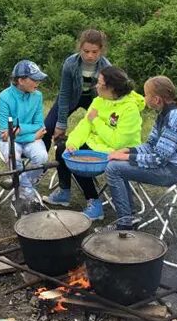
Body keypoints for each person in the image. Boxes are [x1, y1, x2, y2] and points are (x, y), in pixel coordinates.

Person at [47, 66, 146, 221]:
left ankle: (94, 203)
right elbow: (84, 126)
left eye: (100, 83)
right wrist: (73, 143)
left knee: (81, 160)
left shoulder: (130, 108)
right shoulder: (98, 101)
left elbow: (118, 141)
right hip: (97, 144)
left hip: (119, 151)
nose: (96, 86)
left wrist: (97, 121)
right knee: (64, 149)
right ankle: (64, 192)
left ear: (111, 88)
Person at [106, 76, 177, 228]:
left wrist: (127, 157)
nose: (144, 98)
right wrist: (128, 150)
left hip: (176, 171)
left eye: (146, 95)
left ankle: (124, 224)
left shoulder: (176, 118)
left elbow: (159, 159)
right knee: (117, 163)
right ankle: (129, 216)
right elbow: (151, 145)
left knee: (114, 168)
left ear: (156, 99)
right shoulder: (163, 114)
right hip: (169, 166)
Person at [43, 29, 111, 153]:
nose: (90, 55)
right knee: (48, 127)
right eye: (86, 51)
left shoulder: (106, 67)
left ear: (101, 51)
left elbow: (107, 97)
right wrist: (61, 124)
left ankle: (93, 159)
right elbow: (64, 93)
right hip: (71, 96)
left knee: (99, 128)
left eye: (94, 52)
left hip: (94, 99)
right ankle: (40, 162)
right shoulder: (70, 63)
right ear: (80, 48)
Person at [0, 60, 50, 203]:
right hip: (10, 140)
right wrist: (32, 135)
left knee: (42, 157)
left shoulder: (37, 96)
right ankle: (27, 192)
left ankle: (19, 185)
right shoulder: (4, 97)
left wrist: (18, 129)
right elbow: (5, 133)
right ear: (20, 80)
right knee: (14, 157)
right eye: (34, 79)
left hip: (26, 138)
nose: (38, 82)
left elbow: (39, 124)